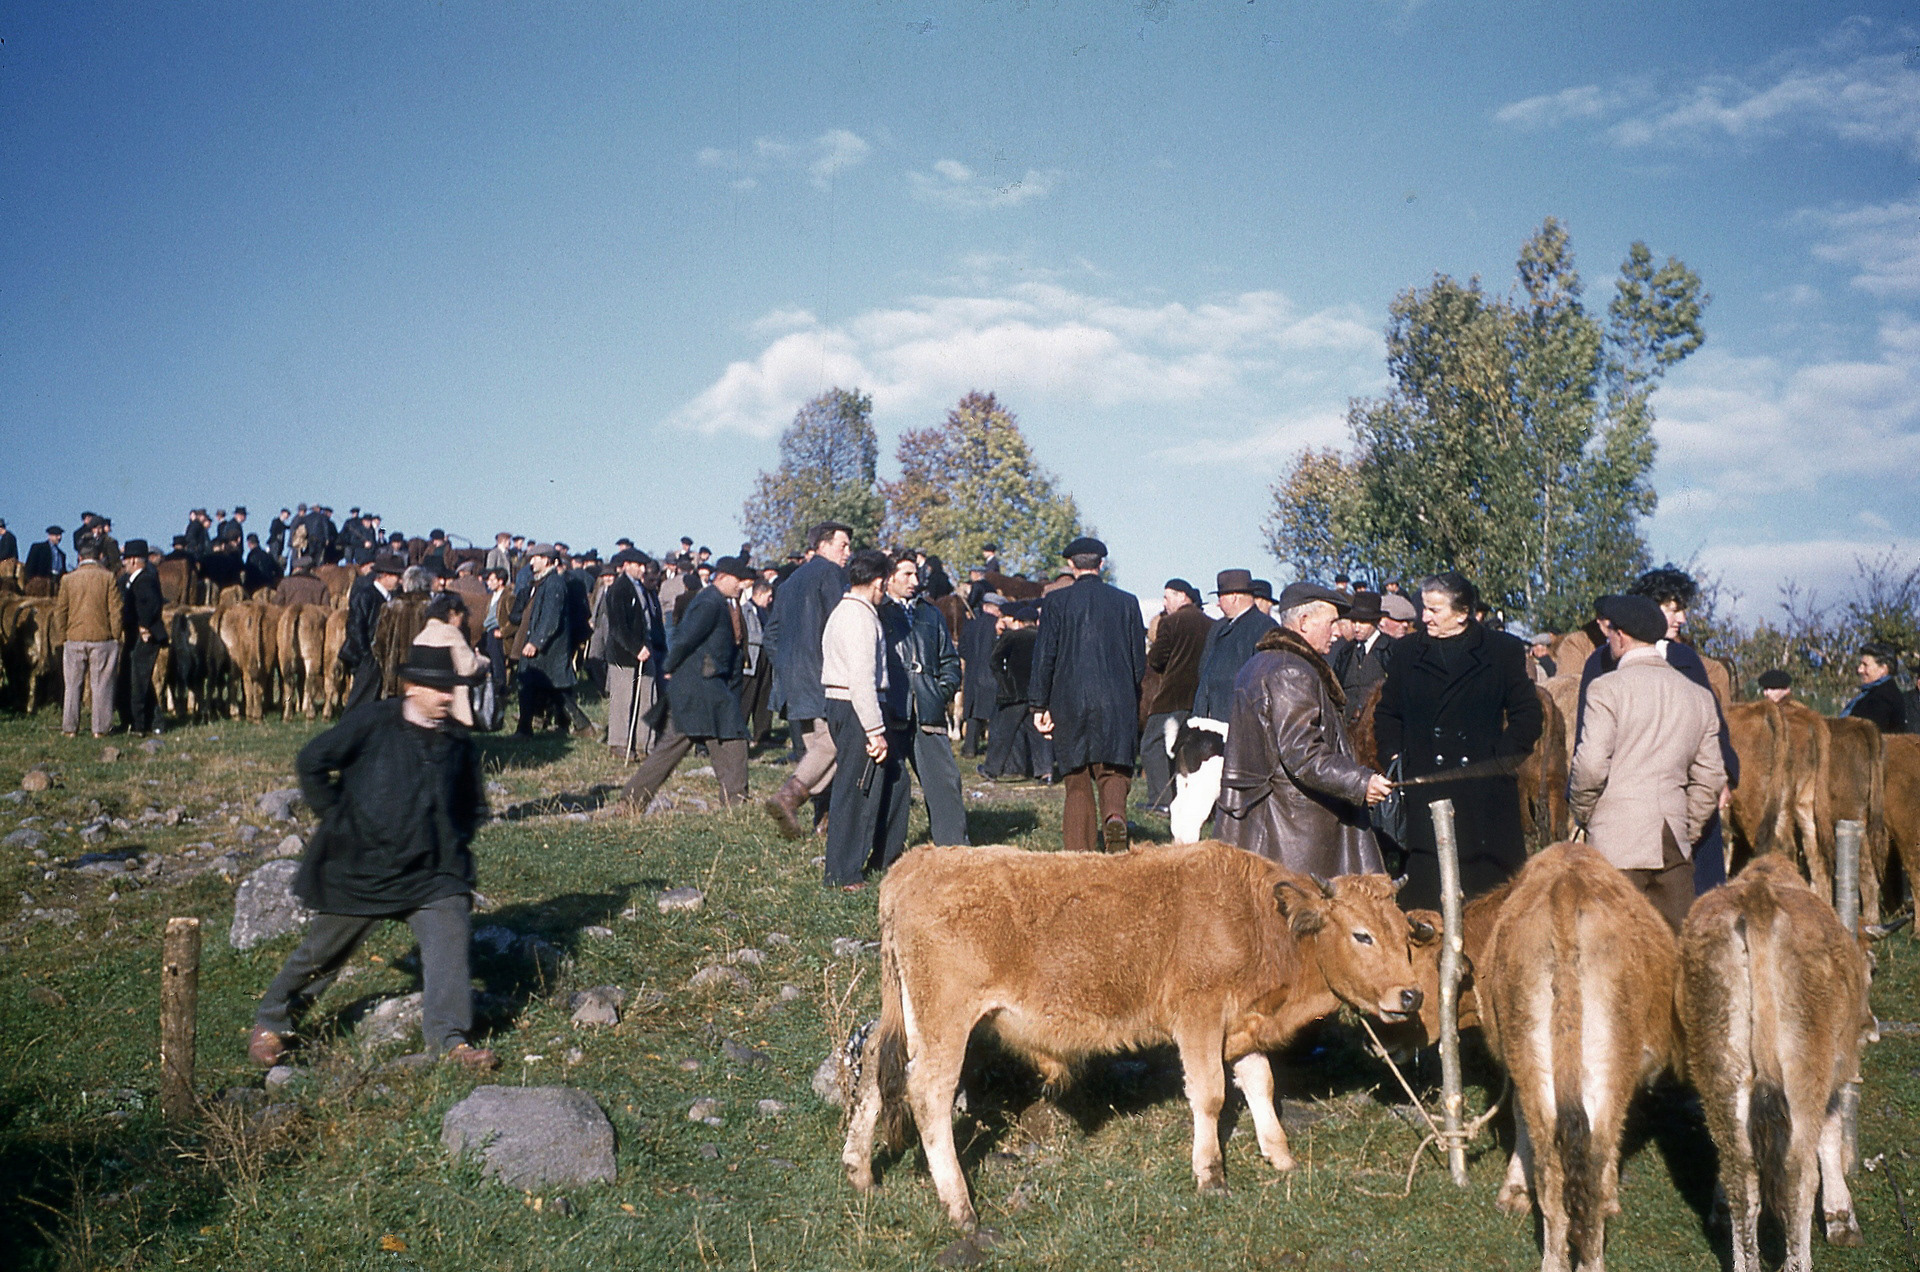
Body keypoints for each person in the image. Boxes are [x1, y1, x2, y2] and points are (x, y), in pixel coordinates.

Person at [247, 644, 496, 1072]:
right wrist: (338, 817)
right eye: (436, 689)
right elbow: (312, 762)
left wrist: (454, 844)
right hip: (362, 868)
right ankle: (272, 1022)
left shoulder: (458, 740)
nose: (445, 698)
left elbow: (473, 805)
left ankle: (450, 1039)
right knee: (322, 954)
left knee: (449, 943)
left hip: (432, 873)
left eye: (449, 689)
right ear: (410, 687)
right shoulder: (372, 722)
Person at [1374, 571, 1542, 911]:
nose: (1424, 618)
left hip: (1485, 802)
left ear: (1463, 612)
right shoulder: (1406, 652)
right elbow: (1387, 714)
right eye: (1424, 608)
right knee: (1427, 909)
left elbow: (1528, 717)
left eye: (1434, 610)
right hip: (1425, 796)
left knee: (1488, 907)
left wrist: (1498, 762)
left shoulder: (1503, 651)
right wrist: (1395, 757)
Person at [1574, 566, 1740, 893]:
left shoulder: (1686, 659)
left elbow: (1713, 730)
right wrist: (1589, 812)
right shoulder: (1600, 662)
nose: (1681, 618)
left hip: (1685, 808)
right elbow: (1587, 743)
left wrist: (1723, 779)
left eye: (1682, 609)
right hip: (1622, 826)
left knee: (1691, 902)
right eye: (1671, 609)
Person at [1215, 582, 1392, 872]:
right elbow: (1304, 756)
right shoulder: (1292, 671)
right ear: (1305, 622)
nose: (1338, 632)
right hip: (1293, 832)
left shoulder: (1258, 664)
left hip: (1266, 824)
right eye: (1332, 622)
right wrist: (1361, 782)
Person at [1029, 537, 1146, 853]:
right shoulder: (1128, 602)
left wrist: (1039, 704)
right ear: (1102, 564)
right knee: (1113, 772)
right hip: (1118, 699)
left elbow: (1045, 657)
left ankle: (1079, 855)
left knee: (1077, 779)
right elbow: (1139, 663)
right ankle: (1115, 818)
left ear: (1071, 565)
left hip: (1069, 700)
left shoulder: (1055, 602)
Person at [619, 557, 756, 812]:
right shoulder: (709, 602)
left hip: (705, 683)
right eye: (738, 582)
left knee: (718, 738)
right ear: (723, 577)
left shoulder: (715, 600)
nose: (741, 587)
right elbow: (685, 637)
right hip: (701, 684)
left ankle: (632, 800)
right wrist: (670, 666)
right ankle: (736, 801)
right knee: (730, 735)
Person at [819, 551, 907, 887]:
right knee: (857, 789)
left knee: (896, 783)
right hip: (858, 707)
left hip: (856, 705)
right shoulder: (857, 617)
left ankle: (887, 858)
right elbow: (860, 678)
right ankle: (843, 872)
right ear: (878, 581)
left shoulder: (854, 612)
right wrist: (875, 730)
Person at [762, 521, 854, 838]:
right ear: (823, 546)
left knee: (813, 753)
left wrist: (787, 666)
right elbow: (840, 625)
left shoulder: (788, 582)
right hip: (822, 678)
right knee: (833, 746)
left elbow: (770, 635)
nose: (848, 552)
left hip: (791, 683)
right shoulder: (832, 574)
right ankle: (788, 797)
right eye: (843, 545)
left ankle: (824, 825)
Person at [880, 554, 969, 846]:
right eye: (907, 575)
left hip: (928, 710)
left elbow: (949, 661)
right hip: (890, 710)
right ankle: (886, 854)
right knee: (891, 784)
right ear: (889, 577)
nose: (915, 581)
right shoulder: (877, 612)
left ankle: (954, 850)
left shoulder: (930, 614)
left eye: (916, 574)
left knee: (945, 782)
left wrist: (939, 690)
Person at [1141, 578, 1213, 812]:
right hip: (1200, 697)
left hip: (1172, 696)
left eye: (1167, 596)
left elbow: (1156, 659)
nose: (1164, 603)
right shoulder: (1212, 624)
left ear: (1182, 596)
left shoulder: (1170, 623)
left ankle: (1161, 801)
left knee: (1152, 745)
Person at [516, 544, 593, 736]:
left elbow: (551, 617)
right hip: (548, 647)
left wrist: (536, 642)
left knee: (545, 687)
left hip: (550, 648)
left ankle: (525, 730)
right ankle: (526, 728)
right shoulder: (543, 582)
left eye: (536, 558)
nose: (532, 562)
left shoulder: (554, 584)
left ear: (547, 560)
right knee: (545, 687)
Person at [54, 542, 124, 737]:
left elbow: (61, 611)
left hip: (74, 638)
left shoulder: (68, 579)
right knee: (102, 685)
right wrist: (116, 635)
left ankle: (69, 728)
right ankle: (100, 730)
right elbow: (116, 610)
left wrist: (63, 637)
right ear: (100, 556)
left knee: (72, 685)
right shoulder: (108, 577)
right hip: (102, 638)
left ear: (79, 557)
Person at [1191, 569, 1276, 725]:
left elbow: (1264, 682)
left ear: (1234, 597)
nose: (1218, 603)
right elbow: (1205, 674)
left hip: (1241, 725)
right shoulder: (1220, 628)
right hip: (1215, 724)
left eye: (1220, 597)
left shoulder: (1264, 627)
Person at [604, 549, 666, 759]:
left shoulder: (642, 589)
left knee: (648, 697)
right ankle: (620, 744)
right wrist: (635, 647)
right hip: (624, 654)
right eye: (638, 565)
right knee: (623, 700)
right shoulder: (618, 589)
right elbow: (618, 627)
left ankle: (644, 744)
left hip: (646, 648)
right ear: (627, 564)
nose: (642, 570)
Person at [982, 602, 1051, 780]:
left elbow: (994, 661)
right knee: (1039, 734)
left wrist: (1004, 682)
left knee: (1003, 734)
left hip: (1014, 693)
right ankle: (1045, 772)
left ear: (1018, 622)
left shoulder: (1011, 637)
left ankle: (991, 770)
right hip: (1038, 695)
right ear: (1036, 622)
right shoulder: (1045, 639)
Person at [411, 592, 487, 728]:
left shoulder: (421, 636)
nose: (461, 623)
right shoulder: (450, 633)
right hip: (450, 702)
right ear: (452, 614)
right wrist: (483, 661)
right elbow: (469, 667)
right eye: (461, 617)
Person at [340, 556, 404, 714]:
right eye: (397, 576)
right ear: (384, 575)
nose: (400, 580)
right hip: (367, 659)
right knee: (361, 702)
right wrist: (366, 655)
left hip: (381, 659)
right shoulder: (366, 595)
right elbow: (356, 627)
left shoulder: (392, 598)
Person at [122, 540, 167, 736]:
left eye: (125, 560)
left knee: (138, 680)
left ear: (133, 561)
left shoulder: (145, 580)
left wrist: (144, 625)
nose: (123, 564)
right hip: (138, 636)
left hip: (147, 637)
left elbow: (152, 603)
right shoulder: (138, 579)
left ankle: (139, 724)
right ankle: (155, 722)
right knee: (141, 680)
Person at [1329, 590, 1392, 721]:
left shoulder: (1390, 649)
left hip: (1378, 726)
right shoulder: (1346, 651)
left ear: (1376, 621)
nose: (1357, 628)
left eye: (1363, 622)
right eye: (1354, 621)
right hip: (1348, 726)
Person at [1846, 642, 1907, 733]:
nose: (1860, 670)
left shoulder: (1883, 698)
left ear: (1883, 669)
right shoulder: (1874, 693)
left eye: (1865, 665)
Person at [23, 525, 66, 596]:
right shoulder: (38, 548)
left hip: (56, 584)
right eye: (56, 535)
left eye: (60, 535)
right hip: (40, 584)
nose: (59, 537)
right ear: (49, 536)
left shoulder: (62, 554)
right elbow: (30, 566)